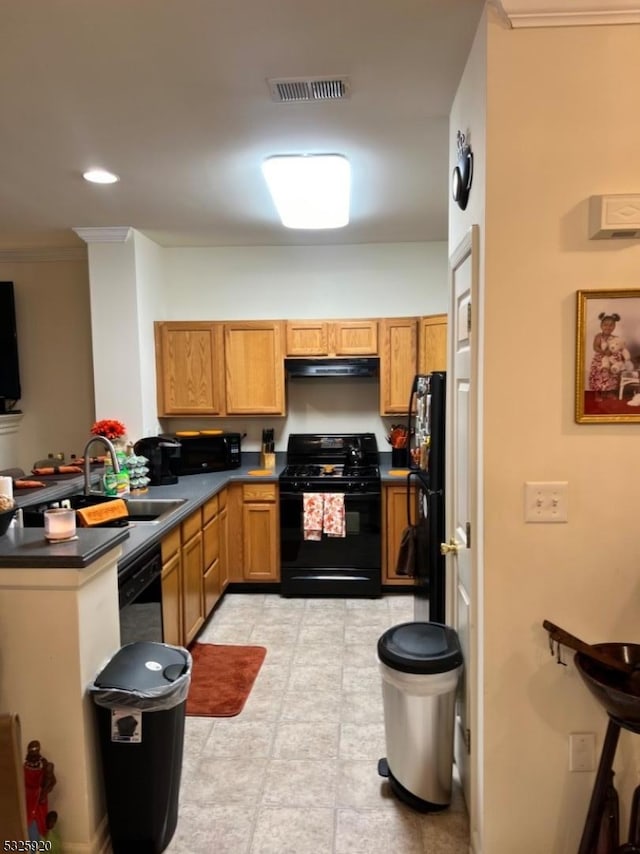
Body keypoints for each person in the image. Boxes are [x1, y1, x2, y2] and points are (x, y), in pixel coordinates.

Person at [24, 740, 57, 841]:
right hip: (28, 801)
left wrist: (45, 791)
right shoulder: (24, 767)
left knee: (40, 825)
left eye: (36, 752)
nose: (34, 755)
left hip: (40, 801)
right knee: (29, 825)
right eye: (32, 752)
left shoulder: (44, 766)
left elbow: (53, 782)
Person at [589, 311, 621, 399]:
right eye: (605, 325)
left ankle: (608, 392)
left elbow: (616, 348)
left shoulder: (614, 338)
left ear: (614, 327)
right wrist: (603, 352)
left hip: (610, 359)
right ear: (601, 326)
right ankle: (598, 393)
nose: (608, 327)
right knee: (599, 376)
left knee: (611, 375)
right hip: (599, 359)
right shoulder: (599, 336)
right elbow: (595, 347)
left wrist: (614, 352)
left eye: (611, 325)